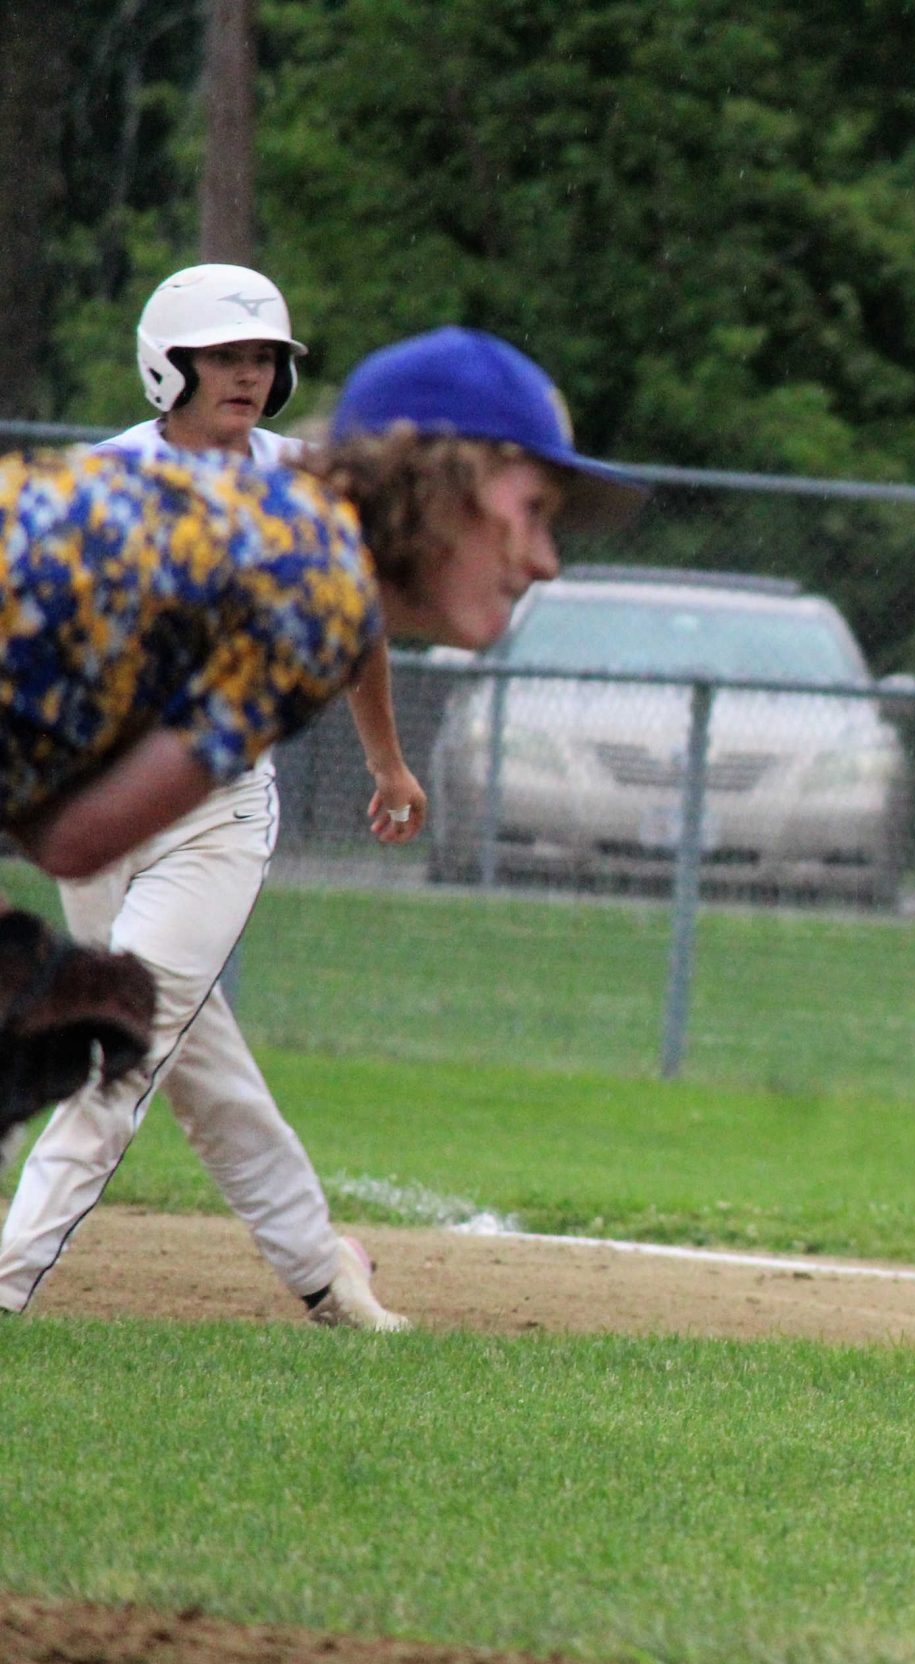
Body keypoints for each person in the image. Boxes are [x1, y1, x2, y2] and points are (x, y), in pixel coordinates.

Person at [0, 321, 641, 1327]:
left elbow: (71, 834)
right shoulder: (308, 584)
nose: (547, 560)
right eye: (534, 510)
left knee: (147, 1035)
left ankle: (314, 1266)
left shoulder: (298, 560)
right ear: (451, 479)